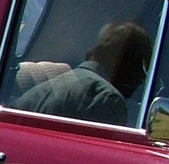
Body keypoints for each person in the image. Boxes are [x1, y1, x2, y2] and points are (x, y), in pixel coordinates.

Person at [11, 20, 150, 126]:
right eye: (142, 66)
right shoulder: (106, 98)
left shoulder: (58, 84)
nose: (142, 78)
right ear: (128, 63)